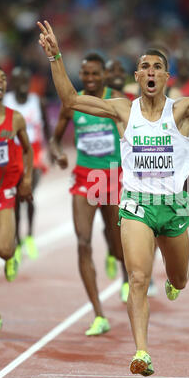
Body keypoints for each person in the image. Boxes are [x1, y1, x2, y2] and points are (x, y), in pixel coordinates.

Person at [37, 20, 189, 375]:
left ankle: (175, 283)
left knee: (179, 279)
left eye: (157, 67)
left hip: (174, 208)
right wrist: (55, 57)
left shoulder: (182, 110)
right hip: (136, 206)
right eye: (145, 65)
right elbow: (70, 99)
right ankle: (142, 352)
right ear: (137, 75)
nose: (150, 71)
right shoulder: (121, 110)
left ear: (166, 77)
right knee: (138, 279)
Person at [50, 52, 129, 336]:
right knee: (83, 242)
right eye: (86, 74)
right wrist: (58, 154)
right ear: (80, 76)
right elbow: (55, 140)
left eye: (96, 74)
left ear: (105, 76)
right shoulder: (73, 103)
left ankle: (122, 272)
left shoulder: (116, 101)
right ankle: (98, 314)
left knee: (119, 242)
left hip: (112, 176)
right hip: (85, 178)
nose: (91, 79)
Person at [104, 58, 158, 298]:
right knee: (109, 226)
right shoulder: (100, 98)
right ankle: (113, 252)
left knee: (129, 220)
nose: (116, 73)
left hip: (128, 171)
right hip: (103, 169)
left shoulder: (129, 98)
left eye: (120, 70)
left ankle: (133, 276)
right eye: (111, 70)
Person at [0, 66, 33, 341]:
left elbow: (27, 150)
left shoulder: (15, 119)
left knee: (4, 250)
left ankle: (12, 249)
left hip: (3, 191)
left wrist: (27, 177)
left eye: (2, 79)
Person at [3, 67, 51, 263]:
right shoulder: (5, 102)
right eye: (17, 79)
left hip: (34, 153)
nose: (22, 83)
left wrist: (52, 149)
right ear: (12, 82)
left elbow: (46, 126)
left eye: (25, 79)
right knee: (14, 201)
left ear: (29, 81)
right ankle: (17, 239)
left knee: (29, 194)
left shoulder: (36, 101)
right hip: (12, 153)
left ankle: (29, 235)